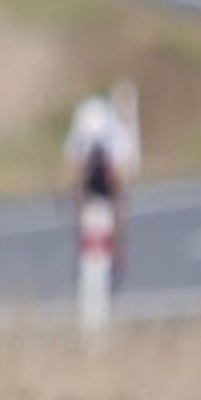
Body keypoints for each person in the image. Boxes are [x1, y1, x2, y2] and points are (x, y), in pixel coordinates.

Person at [63, 92, 138, 275]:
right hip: (90, 174)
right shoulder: (80, 136)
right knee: (79, 194)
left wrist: (116, 186)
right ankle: (81, 238)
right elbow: (71, 167)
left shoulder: (113, 135)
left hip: (108, 171)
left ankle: (118, 246)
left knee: (117, 201)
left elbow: (119, 170)